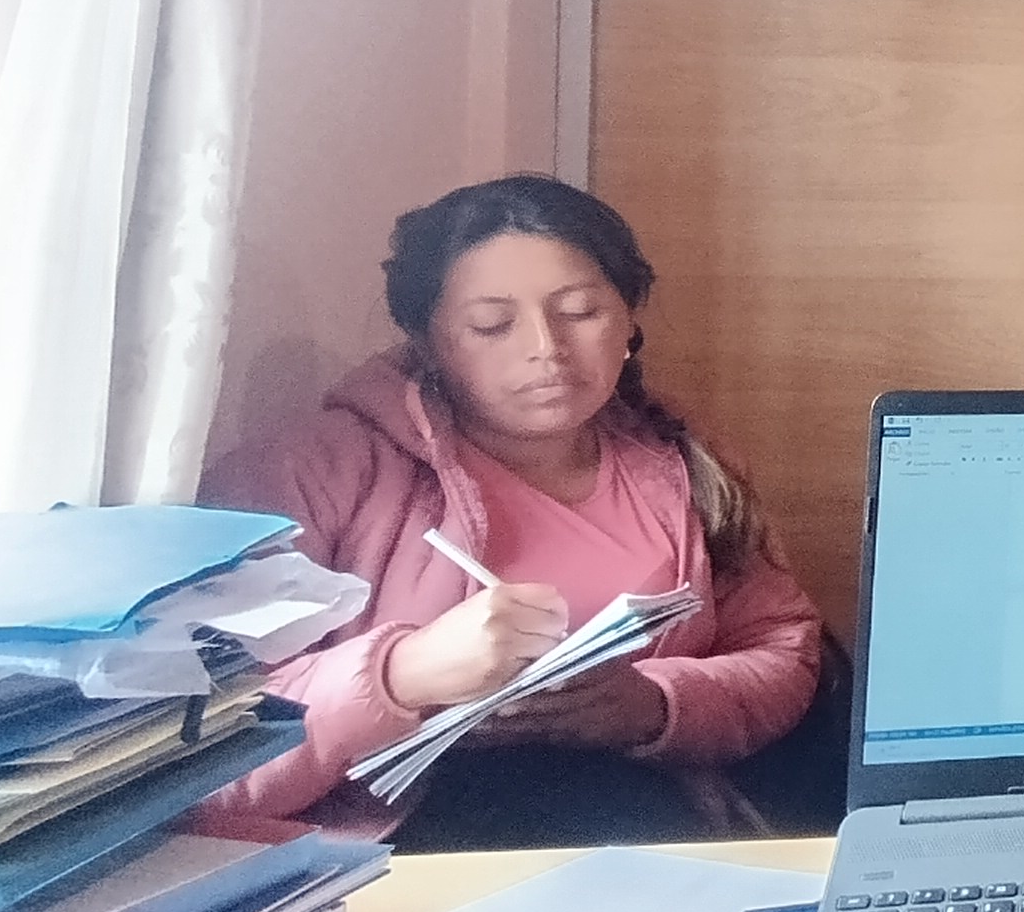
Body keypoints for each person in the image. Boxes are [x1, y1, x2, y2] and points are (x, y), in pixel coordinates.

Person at [202, 176, 827, 849]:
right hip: (397, 851)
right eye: (492, 325)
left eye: (581, 312)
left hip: (644, 825)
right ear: (427, 339)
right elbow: (192, 751)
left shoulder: (679, 457)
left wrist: (653, 705)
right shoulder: (307, 470)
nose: (546, 349)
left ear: (629, 319)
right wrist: (400, 675)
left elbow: (783, 653)